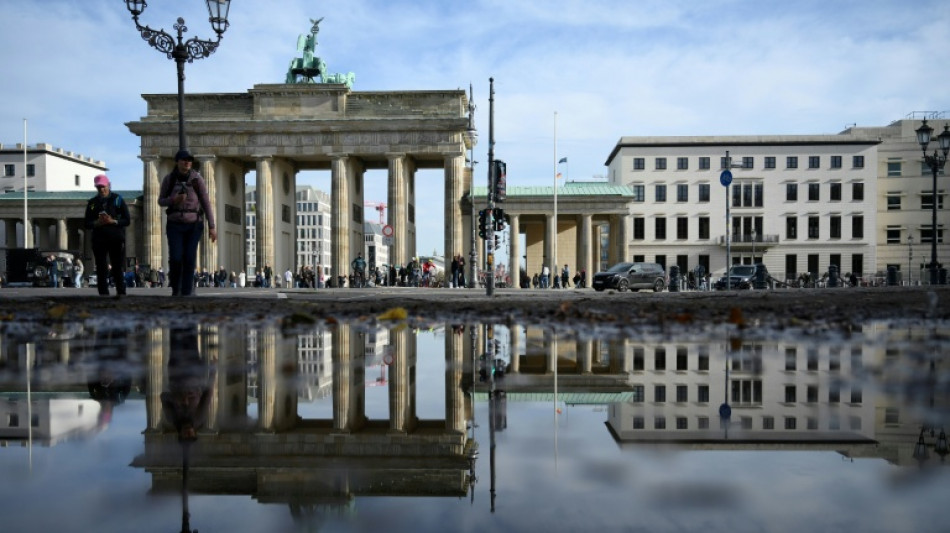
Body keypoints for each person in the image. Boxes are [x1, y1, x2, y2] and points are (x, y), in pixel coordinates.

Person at [158, 150, 217, 297]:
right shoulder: (169, 179)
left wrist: (212, 226)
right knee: (176, 257)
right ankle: (176, 288)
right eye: (184, 160)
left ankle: (186, 292)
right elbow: (160, 201)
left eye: (189, 160)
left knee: (190, 257)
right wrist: (174, 200)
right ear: (177, 161)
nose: (187, 162)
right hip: (175, 224)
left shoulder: (197, 180)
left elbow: (206, 203)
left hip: (193, 224)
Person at [84, 174, 130, 297]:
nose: (101, 189)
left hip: (115, 238)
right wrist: (96, 223)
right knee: (101, 267)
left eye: (103, 186)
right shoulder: (92, 203)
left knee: (117, 266)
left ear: (108, 185)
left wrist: (113, 221)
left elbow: (127, 220)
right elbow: (86, 223)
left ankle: (121, 292)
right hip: (99, 239)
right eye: (98, 187)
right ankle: (103, 294)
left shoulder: (117, 199)